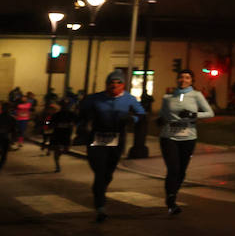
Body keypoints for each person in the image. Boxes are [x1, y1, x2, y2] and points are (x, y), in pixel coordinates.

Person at [78, 70, 147, 222]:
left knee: (108, 173)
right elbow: (82, 113)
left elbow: (141, 114)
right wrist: (83, 125)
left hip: (117, 138)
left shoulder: (129, 98)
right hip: (97, 137)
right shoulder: (95, 98)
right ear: (106, 84)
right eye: (111, 83)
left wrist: (132, 119)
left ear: (123, 85)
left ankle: (100, 189)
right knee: (100, 170)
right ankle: (100, 205)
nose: (114, 86)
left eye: (118, 83)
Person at [159, 68, 216, 215]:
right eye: (181, 77)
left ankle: (173, 193)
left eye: (187, 78)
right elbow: (163, 114)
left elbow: (210, 113)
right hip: (169, 136)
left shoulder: (196, 95)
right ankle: (171, 200)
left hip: (188, 137)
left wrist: (193, 114)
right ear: (177, 79)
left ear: (192, 81)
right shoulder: (167, 97)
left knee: (182, 171)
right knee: (173, 169)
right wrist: (160, 120)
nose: (183, 80)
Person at [47, 96, 78, 172]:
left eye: (66, 105)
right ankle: (57, 166)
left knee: (66, 149)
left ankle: (60, 152)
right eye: (63, 105)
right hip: (58, 134)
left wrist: (73, 125)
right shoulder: (56, 115)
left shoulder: (72, 114)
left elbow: (77, 122)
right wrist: (48, 125)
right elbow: (49, 122)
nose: (65, 106)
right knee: (56, 150)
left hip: (67, 134)